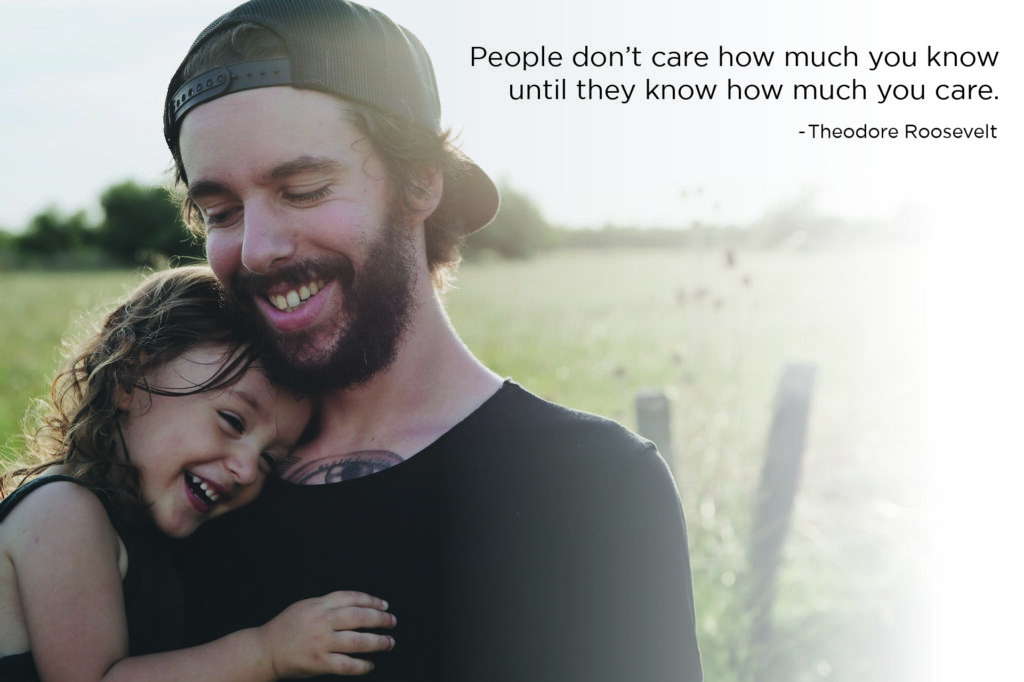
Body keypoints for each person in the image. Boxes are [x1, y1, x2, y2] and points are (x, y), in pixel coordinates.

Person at [165, 1, 704, 680]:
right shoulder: (191, 479)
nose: (259, 249)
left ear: (421, 182)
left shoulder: (591, 484)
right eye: (221, 212)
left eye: (302, 190)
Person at [0, 266, 397, 681]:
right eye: (232, 421)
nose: (246, 470)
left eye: (268, 460)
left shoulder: (133, 529)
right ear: (129, 376)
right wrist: (268, 652)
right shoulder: (63, 512)